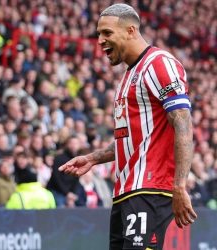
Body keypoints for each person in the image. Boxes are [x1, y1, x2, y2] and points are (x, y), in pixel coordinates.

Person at [59, 4, 197, 250]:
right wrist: (93, 158)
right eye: (99, 34)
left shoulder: (159, 64)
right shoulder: (126, 77)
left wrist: (180, 185)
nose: (100, 41)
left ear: (131, 30)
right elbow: (134, 137)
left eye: (107, 33)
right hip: (126, 191)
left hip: (149, 189)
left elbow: (183, 124)